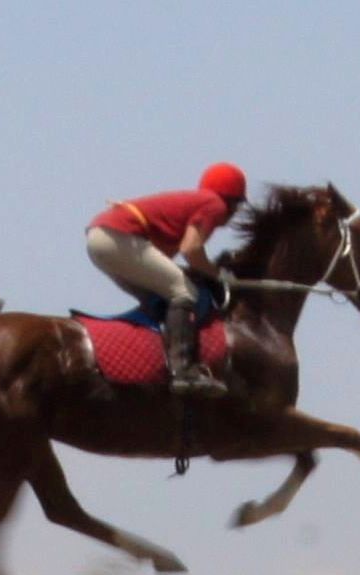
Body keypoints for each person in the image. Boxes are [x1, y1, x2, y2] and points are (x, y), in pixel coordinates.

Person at [86, 162, 247, 398]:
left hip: (100, 238)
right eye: (237, 206)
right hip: (118, 237)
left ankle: (150, 359)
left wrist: (198, 270)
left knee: (161, 294)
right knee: (185, 293)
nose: (232, 215)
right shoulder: (215, 205)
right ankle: (185, 372)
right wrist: (218, 274)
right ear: (232, 201)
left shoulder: (194, 204)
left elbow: (171, 259)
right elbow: (191, 249)